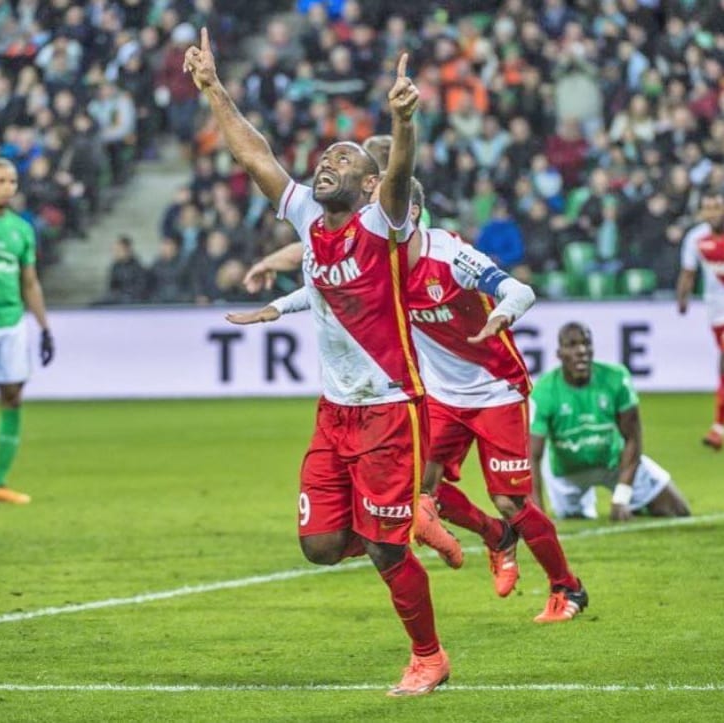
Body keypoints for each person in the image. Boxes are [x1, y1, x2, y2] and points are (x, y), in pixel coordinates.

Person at [184, 29, 449, 696]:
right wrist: (213, 89)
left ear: (367, 184)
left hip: (388, 408)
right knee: (321, 546)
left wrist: (400, 122)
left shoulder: (382, 223)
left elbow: (400, 174)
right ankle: (390, 524)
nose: (326, 162)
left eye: (343, 160)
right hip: (334, 413)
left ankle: (428, 656)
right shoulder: (309, 221)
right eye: (324, 155)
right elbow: (255, 156)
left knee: (387, 550)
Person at [236, 174, 589, 624]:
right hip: (439, 394)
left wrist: (502, 314)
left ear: (412, 213)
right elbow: (325, 287)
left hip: (494, 388)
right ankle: (496, 536)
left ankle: (567, 587)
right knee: (420, 488)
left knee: (511, 502)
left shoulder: (451, 254)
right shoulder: (385, 260)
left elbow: (519, 290)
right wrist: (278, 308)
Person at [530, 322, 691, 521]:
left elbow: (633, 438)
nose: (581, 350)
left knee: (677, 510)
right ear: (559, 353)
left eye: (586, 343)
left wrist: (621, 497)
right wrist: (536, 516)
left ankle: (633, 502)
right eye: (572, 345)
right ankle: (585, 503)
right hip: (567, 473)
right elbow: (532, 456)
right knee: (574, 518)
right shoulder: (544, 390)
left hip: (613, 463)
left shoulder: (616, 378)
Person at [0, 158, 55, 504]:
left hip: (13, 322)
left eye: (12, 182)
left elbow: (29, 282)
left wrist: (45, 328)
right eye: (1, 181)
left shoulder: (21, 229)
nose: (7, 187)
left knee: (14, 396)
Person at [676, 191, 724, 450]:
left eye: (717, 207)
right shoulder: (696, 238)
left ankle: (718, 428)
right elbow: (688, 271)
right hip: (717, 311)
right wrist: (682, 298)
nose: (712, 213)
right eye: (708, 208)